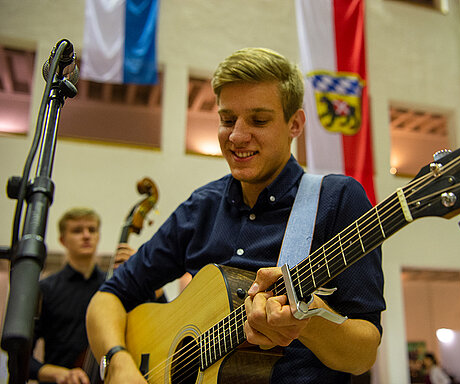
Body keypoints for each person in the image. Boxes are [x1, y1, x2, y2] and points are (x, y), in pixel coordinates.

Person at [86, 47, 385, 384]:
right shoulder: (201, 208)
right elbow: (108, 297)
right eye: (228, 120)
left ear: (295, 124)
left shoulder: (337, 200)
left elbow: (364, 355)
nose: (237, 136)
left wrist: (308, 319)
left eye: (259, 120)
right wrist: (118, 362)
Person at [29, 207, 137, 384]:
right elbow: (21, 358)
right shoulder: (45, 288)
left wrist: (143, 276)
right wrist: (58, 374)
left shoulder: (114, 286)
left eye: (92, 230)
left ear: (98, 236)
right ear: (63, 240)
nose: (86, 235)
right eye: (77, 231)